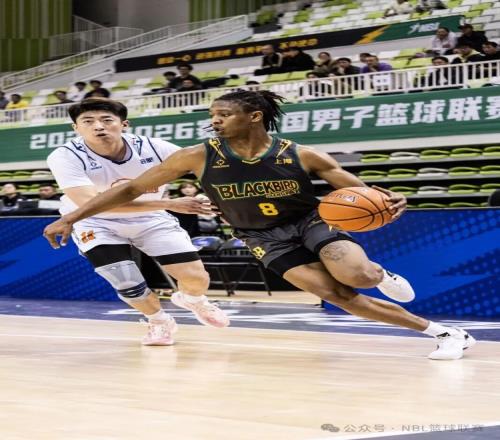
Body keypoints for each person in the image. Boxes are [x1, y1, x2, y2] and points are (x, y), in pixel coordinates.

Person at [43, 91, 476, 360]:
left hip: (310, 222)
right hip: (259, 236)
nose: (214, 121)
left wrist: (387, 199)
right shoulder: (196, 155)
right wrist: (71, 216)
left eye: (222, 114)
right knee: (336, 295)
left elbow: (357, 190)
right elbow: (133, 189)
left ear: (253, 116)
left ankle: (380, 274)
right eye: (212, 115)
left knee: (358, 276)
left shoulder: (300, 154)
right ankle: (445, 333)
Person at [43, 98, 229, 346]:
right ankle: (159, 321)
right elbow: (93, 204)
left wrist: (221, 199)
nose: (98, 126)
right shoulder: (64, 156)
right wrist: (169, 203)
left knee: (197, 278)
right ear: (75, 128)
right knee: (127, 282)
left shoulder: (155, 147)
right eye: (88, 121)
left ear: (124, 124)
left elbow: (204, 165)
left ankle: (193, 300)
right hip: (95, 221)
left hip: (150, 218)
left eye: (107, 120)